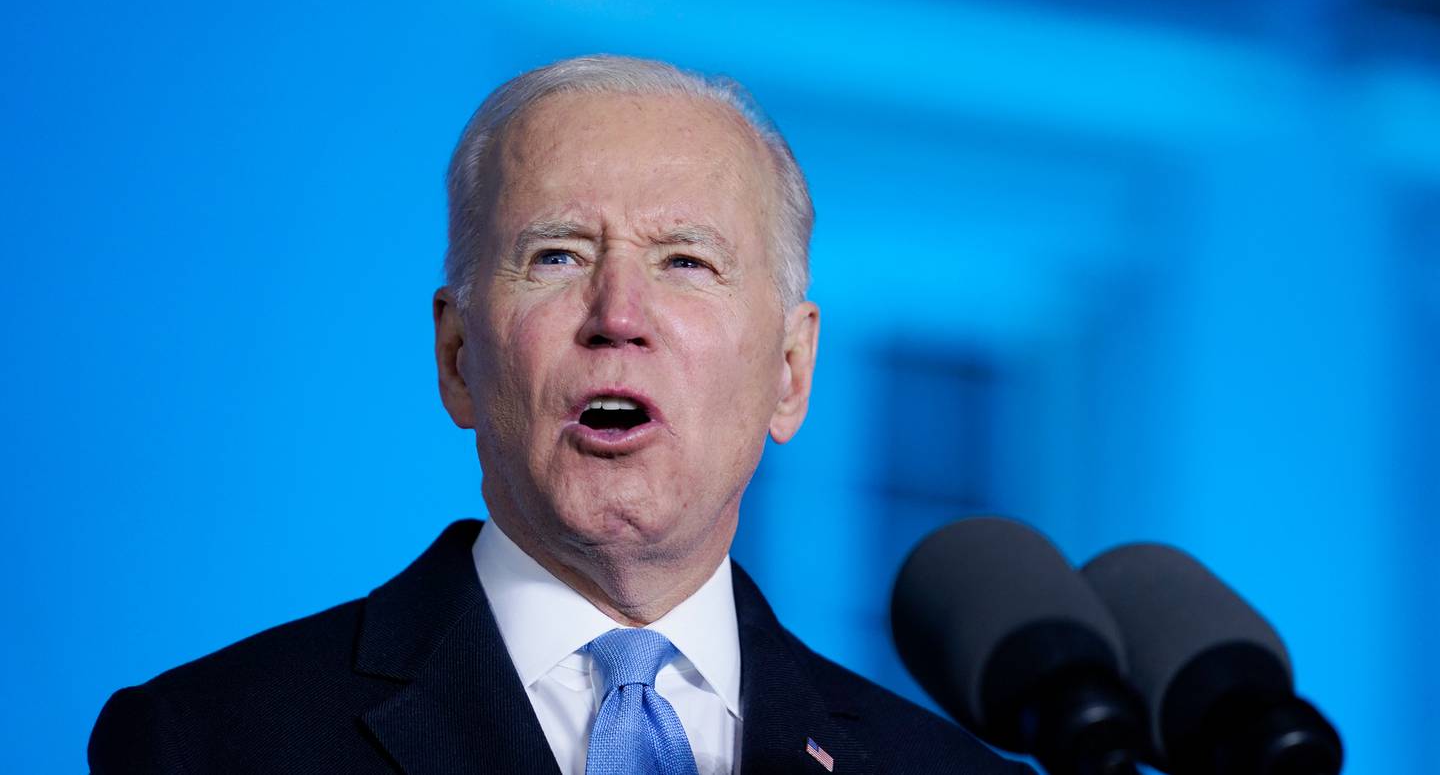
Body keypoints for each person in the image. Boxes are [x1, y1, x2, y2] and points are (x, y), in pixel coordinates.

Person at [89, 55, 1032, 775]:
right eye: (556, 257)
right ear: (459, 358)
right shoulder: (207, 742)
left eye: (685, 262)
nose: (618, 316)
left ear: (790, 372)